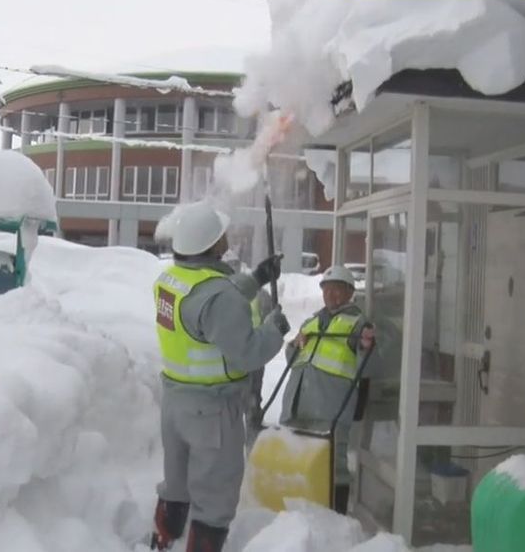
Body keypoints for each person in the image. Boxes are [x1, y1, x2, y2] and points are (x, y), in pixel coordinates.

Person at [151, 202, 290, 552]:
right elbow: (247, 353)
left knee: (177, 484)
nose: (226, 238)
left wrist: (256, 277)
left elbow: (209, 303)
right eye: (221, 236)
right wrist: (274, 329)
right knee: (215, 499)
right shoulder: (219, 296)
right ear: (212, 245)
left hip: (175, 403)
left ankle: (163, 540)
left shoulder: (171, 280)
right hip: (212, 411)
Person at [278, 265, 375, 515]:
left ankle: (336, 516)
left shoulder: (358, 323)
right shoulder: (312, 321)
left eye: (336, 290)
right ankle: (298, 513)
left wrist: (365, 346)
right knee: (299, 459)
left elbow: (369, 365)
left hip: (331, 405)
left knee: (334, 464)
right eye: (326, 289)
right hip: (298, 402)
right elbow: (292, 356)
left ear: (350, 292)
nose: (330, 295)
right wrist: (294, 345)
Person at [222, 249, 276, 448]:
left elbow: (270, 320)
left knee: (252, 403)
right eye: (228, 266)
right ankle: (232, 447)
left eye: (234, 266)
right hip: (228, 357)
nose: (231, 270)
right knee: (230, 406)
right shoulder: (217, 293)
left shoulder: (260, 294)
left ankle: (252, 449)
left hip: (252, 355)